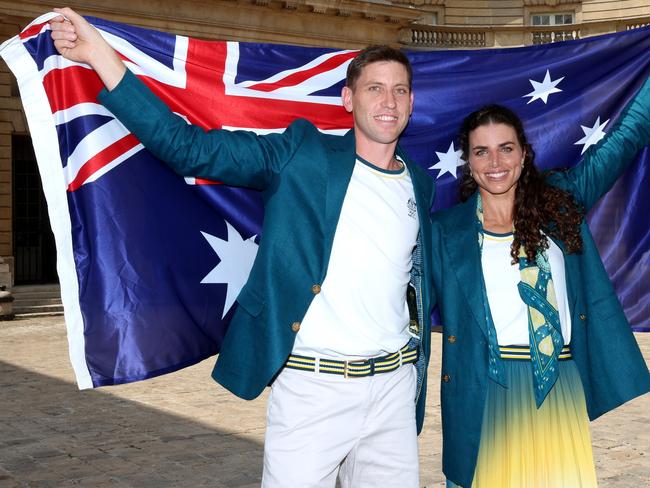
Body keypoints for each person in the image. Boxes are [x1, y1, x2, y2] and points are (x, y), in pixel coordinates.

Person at [50, 7, 435, 487]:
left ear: (412, 102)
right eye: (374, 88)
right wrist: (98, 55)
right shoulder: (300, 154)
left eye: (399, 89)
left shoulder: (418, 183)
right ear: (347, 99)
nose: (388, 101)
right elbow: (186, 146)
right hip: (314, 388)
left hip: (393, 390)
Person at [430, 81, 650, 487]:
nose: (495, 161)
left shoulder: (561, 203)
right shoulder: (444, 233)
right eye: (482, 151)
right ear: (469, 162)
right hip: (484, 394)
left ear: (524, 154)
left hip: (556, 390)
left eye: (506, 148)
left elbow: (627, 137)